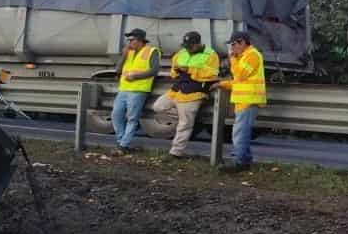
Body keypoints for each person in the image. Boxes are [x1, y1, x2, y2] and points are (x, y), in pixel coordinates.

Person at [150, 31, 220, 159]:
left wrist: (189, 70)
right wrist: (175, 71)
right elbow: (174, 67)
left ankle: (175, 153)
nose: (187, 48)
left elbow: (212, 74)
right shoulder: (182, 52)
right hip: (178, 89)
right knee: (158, 106)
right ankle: (187, 118)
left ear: (198, 44)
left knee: (184, 125)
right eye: (186, 45)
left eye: (190, 46)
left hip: (194, 92)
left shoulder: (211, 54)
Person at [212, 31, 266, 172]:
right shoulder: (244, 57)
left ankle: (238, 162)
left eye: (233, 44)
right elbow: (238, 81)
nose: (232, 48)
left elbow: (240, 75)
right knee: (242, 132)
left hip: (249, 100)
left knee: (239, 132)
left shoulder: (252, 55)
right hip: (244, 100)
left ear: (242, 42)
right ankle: (245, 160)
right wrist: (222, 84)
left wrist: (232, 59)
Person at [111, 28, 161, 154]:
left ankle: (123, 145)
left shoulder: (151, 51)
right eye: (129, 40)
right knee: (116, 115)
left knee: (132, 118)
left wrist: (136, 76)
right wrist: (124, 55)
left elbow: (154, 70)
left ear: (139, 40)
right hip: (124, 89)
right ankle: (122, 141)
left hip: (139, 90)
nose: (129, 42)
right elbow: (118, 70)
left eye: (131, 39)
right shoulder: (129, 52)